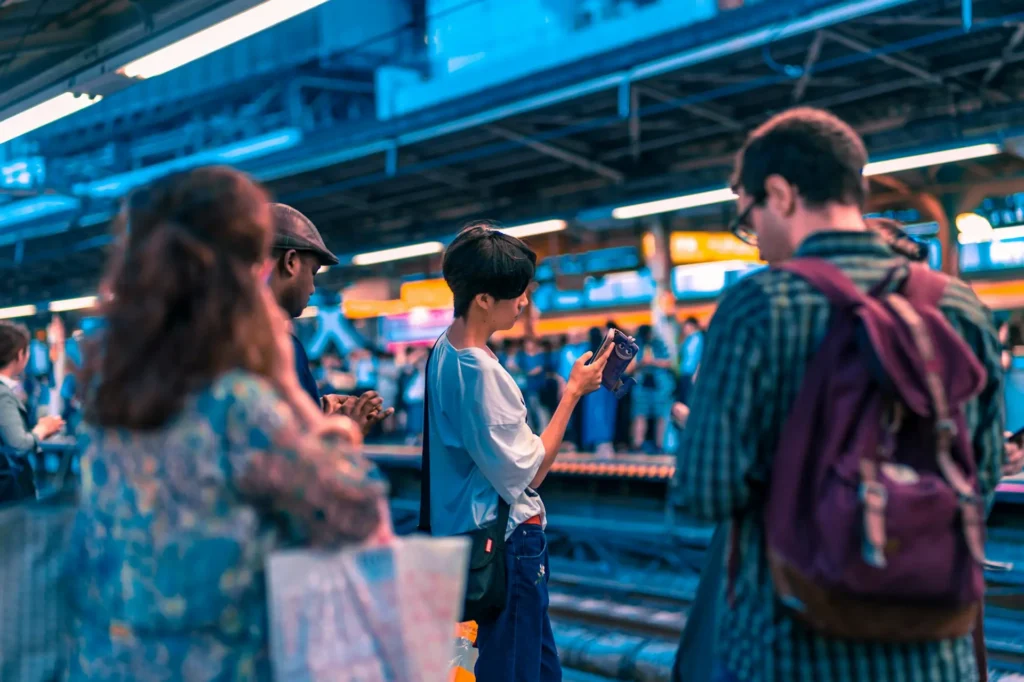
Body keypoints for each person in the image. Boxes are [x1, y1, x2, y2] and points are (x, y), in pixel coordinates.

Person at [678, 108, 1004, 682]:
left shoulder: (758, 306)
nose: (756, 243)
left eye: (749, 219)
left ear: (779, 194)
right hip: (932, 647)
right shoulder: (958, 305)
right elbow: (982, 471)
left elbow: (704, 492)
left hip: (791, 644)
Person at [68, 167, 391, 682]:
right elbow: (354, 515)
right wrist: (343, 434)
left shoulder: (113, 398)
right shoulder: (238, 398)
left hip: (113, 659)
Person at [424, 223, 612, 682]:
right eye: (517, 294)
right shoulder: (480, 372)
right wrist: (573, 394)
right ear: (484, 299)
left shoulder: (442, 350)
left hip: (467, 536)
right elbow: (532, 473)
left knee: (538, 667)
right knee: (513, 670)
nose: (524, 302)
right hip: (506, 545)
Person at [266, 203, 393, 432]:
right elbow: (295, 458)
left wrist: (317, 412)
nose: (313, 288)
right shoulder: (279, 349)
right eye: (313, 272)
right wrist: (348, 430)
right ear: (291, 262)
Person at [0, 321, 64, 502]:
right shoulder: (3, 395)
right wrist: (42, 429)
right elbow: (18, 445)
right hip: (8, 494)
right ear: (20, 354)